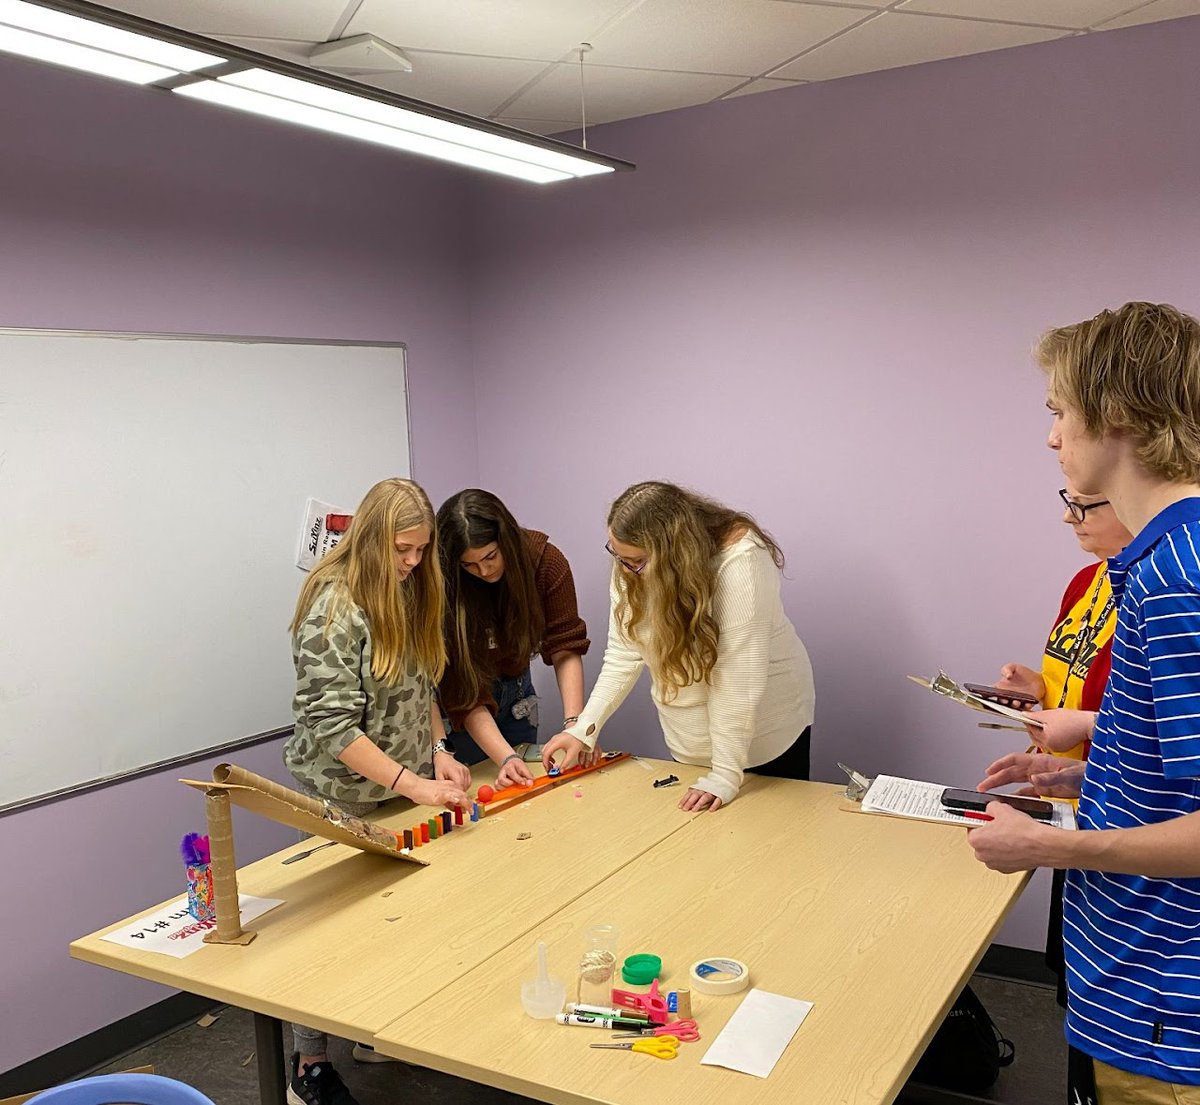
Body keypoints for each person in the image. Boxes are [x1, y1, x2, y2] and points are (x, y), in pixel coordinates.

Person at [968, 302, 1200, 1103]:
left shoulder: (1178, 578)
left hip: (1166, 1008)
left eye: (1059, 411)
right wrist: (1092, 781)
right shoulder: (1163, 560)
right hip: (1144, 990)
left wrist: (1052, 847)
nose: (1052, 437)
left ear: (1121, 415)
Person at [282, 477, 469, 1105]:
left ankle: (372, 1031)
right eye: (402, 550)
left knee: (395, 920)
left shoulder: (409, 587)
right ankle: (310, 1065)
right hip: (343, 791)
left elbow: (420, 681)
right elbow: (332, 726)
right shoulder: (333, 605)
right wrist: (411, 781)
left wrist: (438, 752)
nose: (414, 563)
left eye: (421, 551)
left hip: (404, 783)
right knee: (333, 931)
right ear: (369, 539)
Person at [541, 480, 815, 810]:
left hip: (764, 739)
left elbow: (737, 680)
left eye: (636, 561)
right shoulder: (631, 563)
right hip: (690, 747)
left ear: (675, 554)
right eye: (618, 555)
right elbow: (625, 652)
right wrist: (583, 729)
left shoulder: (741, 562)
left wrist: (726, 775)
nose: (626, 569)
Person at [991, 487, 1131, 1102]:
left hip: (1125, 812)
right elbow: (1073, 686)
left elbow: (1149, 720)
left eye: (1084, 506)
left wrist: (1083, 725)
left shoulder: (1162, 588)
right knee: (1076, 978)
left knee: (1112, 993)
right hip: (1078, 796)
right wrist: (1039, 694)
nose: (1067, 518)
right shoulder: (1087, 581)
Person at [435, 489, 593, 787]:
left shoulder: (545, 562)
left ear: (506, 538)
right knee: (481, 793)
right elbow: (464, 691)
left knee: (526, 788)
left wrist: (576, 725)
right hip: (465, 706)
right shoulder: (445, 585)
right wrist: (506, 758)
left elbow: (565, 646)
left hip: (518, 695)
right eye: (469, 565)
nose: (483, 570)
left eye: (491, 556)